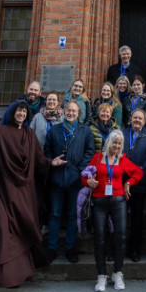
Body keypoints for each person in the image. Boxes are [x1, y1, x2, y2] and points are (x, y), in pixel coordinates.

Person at [0, 101, 60, 292]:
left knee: (22, 233)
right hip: (1, 192)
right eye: (18, 111)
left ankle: (13, 278)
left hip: (24, 194)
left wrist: (52, 163)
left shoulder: (30, 135)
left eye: (25, 111)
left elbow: (40, 160)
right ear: (12, 113)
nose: (21, 114)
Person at [84, 131, 144, 292]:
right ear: (108, 142)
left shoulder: (122, 159)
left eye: (119, 143)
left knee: (121, 236)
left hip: (118, 201)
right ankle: (101, 276)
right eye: (114, 143)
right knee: (99, 238)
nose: (116, 146)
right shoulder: (97, 157)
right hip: (99, 201)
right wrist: (88, 181)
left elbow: (138, 173)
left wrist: (128, 183)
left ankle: (118, 272)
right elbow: (85, 175)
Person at [43, 101, 94, 263]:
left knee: (73, 215)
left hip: (76, 180)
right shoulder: (54, 130)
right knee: (55, 214)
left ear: (79, 113)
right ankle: (52, 248)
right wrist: (52, 161)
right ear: (64, 111)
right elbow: (47, 150)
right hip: (57, 179)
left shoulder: (85, 131)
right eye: (68, 110)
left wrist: (80, 170)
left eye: (74, 111)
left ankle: (71, 248)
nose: (71, 113)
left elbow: (90, 152)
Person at [123, 108, 146, 263]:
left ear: (144, 121)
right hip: (121, 181)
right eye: (135, 118)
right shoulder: (122, 133)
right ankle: (118, 248)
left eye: (140, 118)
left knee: (137, 219)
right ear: (130, 119)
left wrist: (142, 168)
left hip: (139, 182)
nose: (137, 120)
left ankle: (134, 249)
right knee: (119, 218)